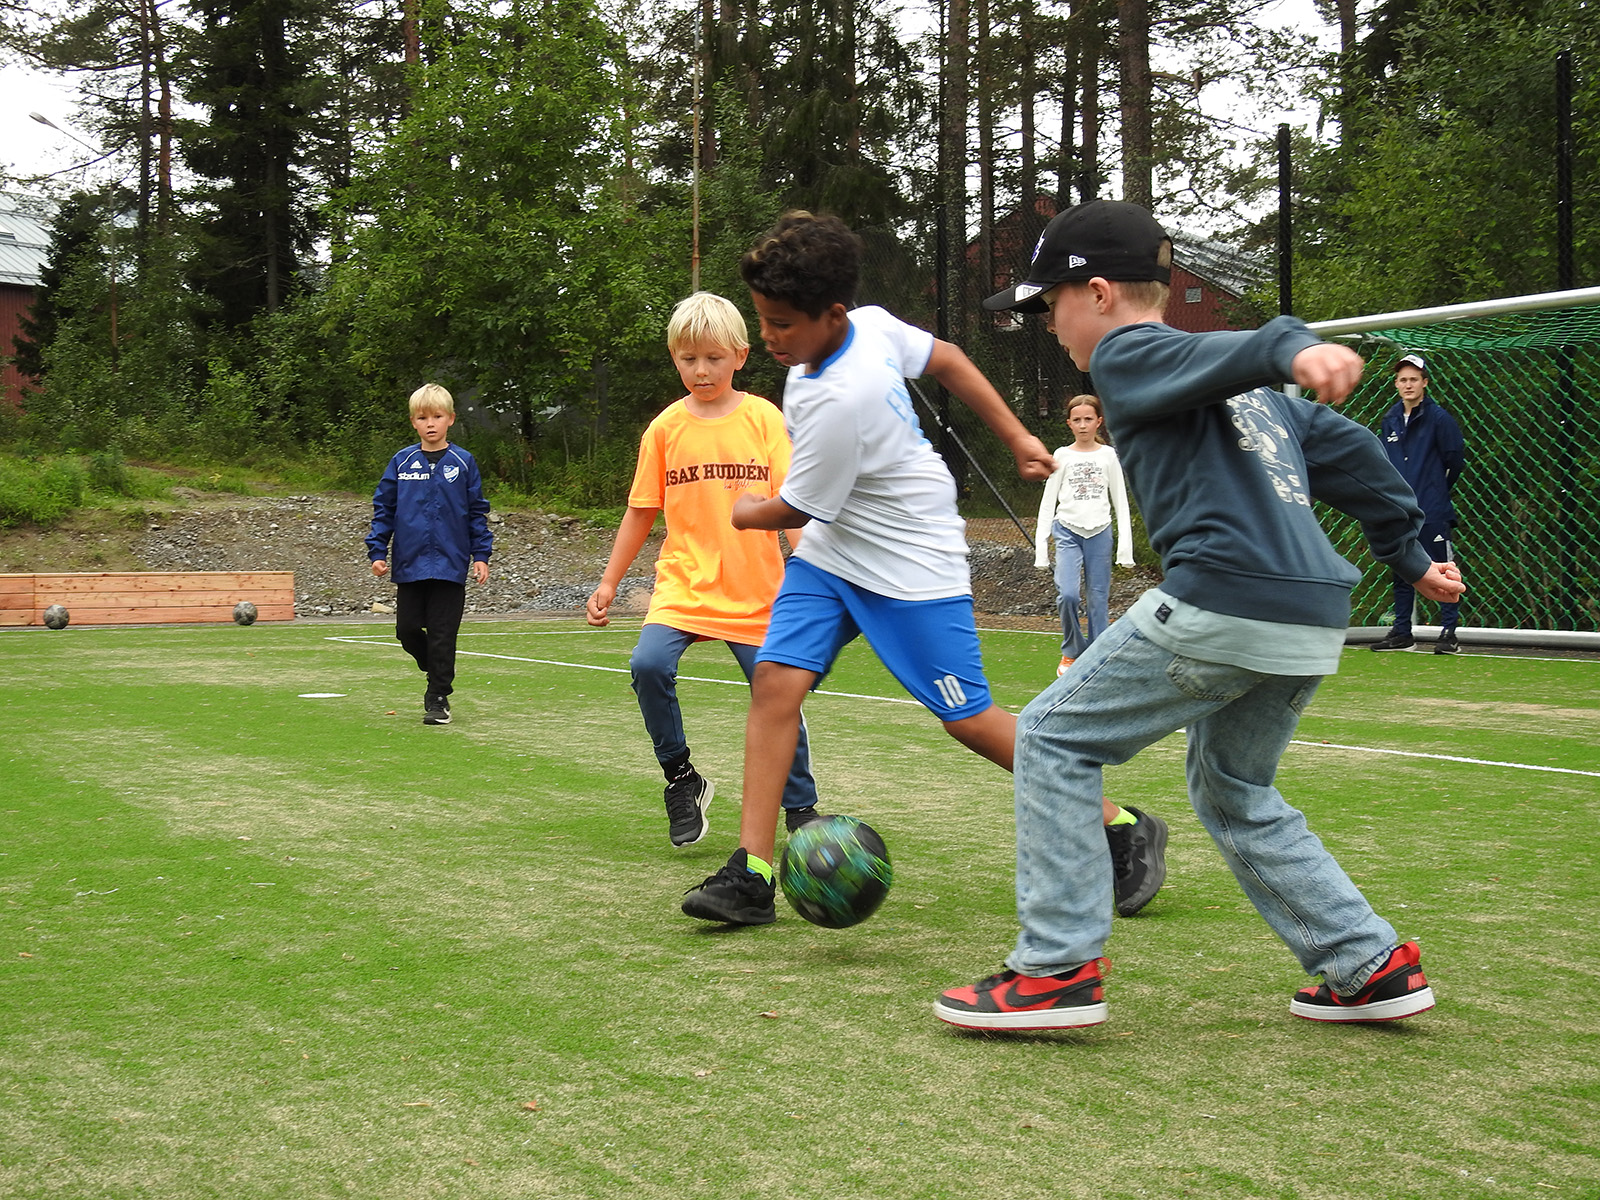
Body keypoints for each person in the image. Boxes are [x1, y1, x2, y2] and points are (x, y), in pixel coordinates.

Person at [936, 199, 1465, 1030]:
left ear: (1100, 293)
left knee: (1050, 736)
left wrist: (1297, 345)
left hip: (1223, 597)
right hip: (1311, 613)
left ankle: (1055, 969)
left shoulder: (1128, 354)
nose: (1049, 326)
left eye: (1051, 305)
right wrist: (1408, 554)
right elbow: (1357, 456)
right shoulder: (1258, 397)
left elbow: (1263, 343)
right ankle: (1365, 963)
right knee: (1233, 786)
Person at [679, 210, 1169, 926]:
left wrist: (743, 508)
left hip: (912, 563)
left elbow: (793, 508)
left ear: (833, 314)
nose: (770, 337)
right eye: (763, 320)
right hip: (834, 557)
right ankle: (751, 872)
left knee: (968, 719)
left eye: (782, 323)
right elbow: (947, 359)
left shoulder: (832, 397)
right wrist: (1016, 434)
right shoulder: (867, 330)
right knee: (776, 684)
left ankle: (1119, 825)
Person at [586, 291, 821, 848]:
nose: (701, 369)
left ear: (740, 356)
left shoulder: (764, 420)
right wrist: (610, 580)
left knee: (777, 694)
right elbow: (641, 511)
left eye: (713, 357)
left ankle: (801, 808)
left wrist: (813, 570)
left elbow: (791, 507)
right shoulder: (665, 429)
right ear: (675, 359)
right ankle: (682, 779)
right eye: (688, 359)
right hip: (684, 585)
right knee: (647, 664)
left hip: (756, 590)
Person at [366, 383, 493, 726]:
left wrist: (481, 555)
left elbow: (476, 512)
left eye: (437, 416)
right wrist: (377, 550)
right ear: (414, 422)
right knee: (407, 630)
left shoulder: (463, 463)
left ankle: (437, 697)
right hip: (410, 564)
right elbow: (384, 509)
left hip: (451, 566)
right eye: (423, 417)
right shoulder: (401, 462)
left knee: (442, 634)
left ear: (450, 419)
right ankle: (434, 664)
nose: (431, 423)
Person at [1371, 353, 1467, 654]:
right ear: (1396, 384)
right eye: (1403, 380)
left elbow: (1455, 461)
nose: (1408, 384)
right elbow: (1385, 464)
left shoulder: (1440, 419)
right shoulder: (1390, 420)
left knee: (1444, 570)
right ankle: (1402, 632)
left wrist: (1435, 491)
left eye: (1414, 379)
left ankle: (1448, 633)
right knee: (1401, 568)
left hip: (1433, 510)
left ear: (1424, 383)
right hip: (1399, 511)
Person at [1034, 394, 1134, 677]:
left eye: (1088, 419)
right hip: (1067, 530)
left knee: (1098, 599)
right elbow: (1048, 501)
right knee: (1067, 594)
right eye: (1076, 420)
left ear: (1099, 422)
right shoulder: (1062, 455)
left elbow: (1120, 501)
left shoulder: (1108, 456)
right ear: (1069, 423)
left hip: (1100, 531)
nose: (1082, 425)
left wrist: (1124, 550)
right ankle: (1071, 651)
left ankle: (1097, 654)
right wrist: (1041, 549)